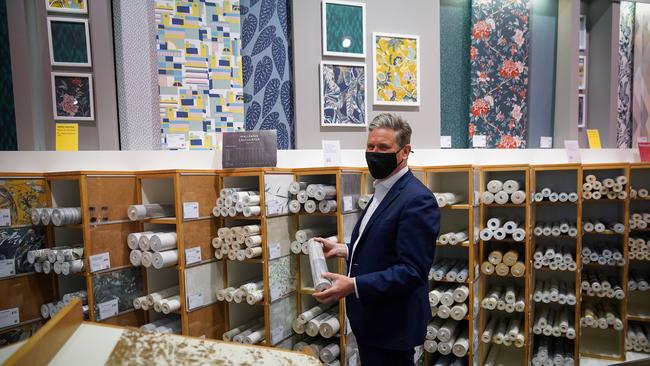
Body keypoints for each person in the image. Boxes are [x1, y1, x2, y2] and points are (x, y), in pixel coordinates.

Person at [312, 113, 440, 365]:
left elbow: (412, 271)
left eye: (383, 147)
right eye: (370, 146)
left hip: (392, 324)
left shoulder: (417, 200)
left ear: (404, 152)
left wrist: (353, 285)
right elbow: (383, 245)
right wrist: (344, 249)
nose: (374, 153)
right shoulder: (383, 190)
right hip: (372, 320)